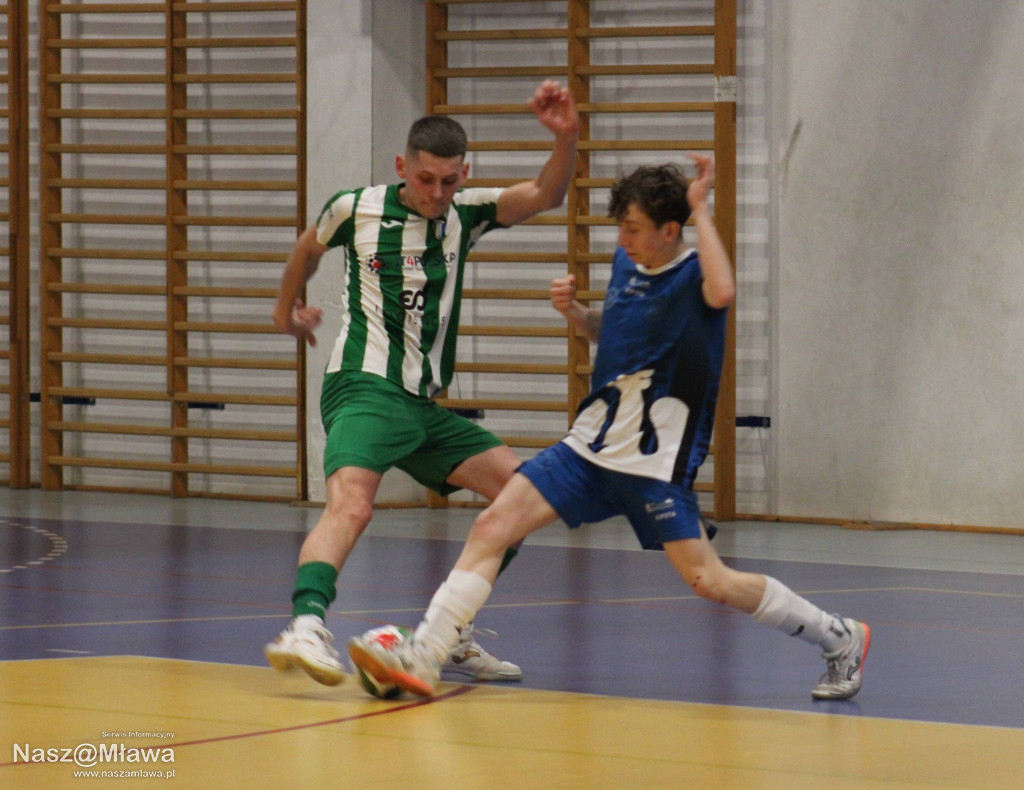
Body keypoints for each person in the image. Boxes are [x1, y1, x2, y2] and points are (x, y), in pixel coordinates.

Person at [348, 155, 871, 701]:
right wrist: (577, 315)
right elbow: (616, 330)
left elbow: (723, 291)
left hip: (651, 464)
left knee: (709, 581)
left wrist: (700, 207)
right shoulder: (627, 265)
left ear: (670, 230)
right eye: (620, 226)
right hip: (586, 450)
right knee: (494, 524)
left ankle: (839, 636)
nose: (623, 239)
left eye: (634, 228)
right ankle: (427, 653)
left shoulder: (695, 276)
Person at [264, 80, 579, 686]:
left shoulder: (468, 213)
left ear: (465, 174)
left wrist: (566, 137)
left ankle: (448, 632)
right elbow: (308, 247)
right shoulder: (355, 208)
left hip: (423, 405)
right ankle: (304, 626)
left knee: (524, 495)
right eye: (426, 179)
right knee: (352, 504)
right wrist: (286, 310)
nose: (437, 193)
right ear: (402, 166)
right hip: (363, 385)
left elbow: (545, 193)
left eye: (450, 181)